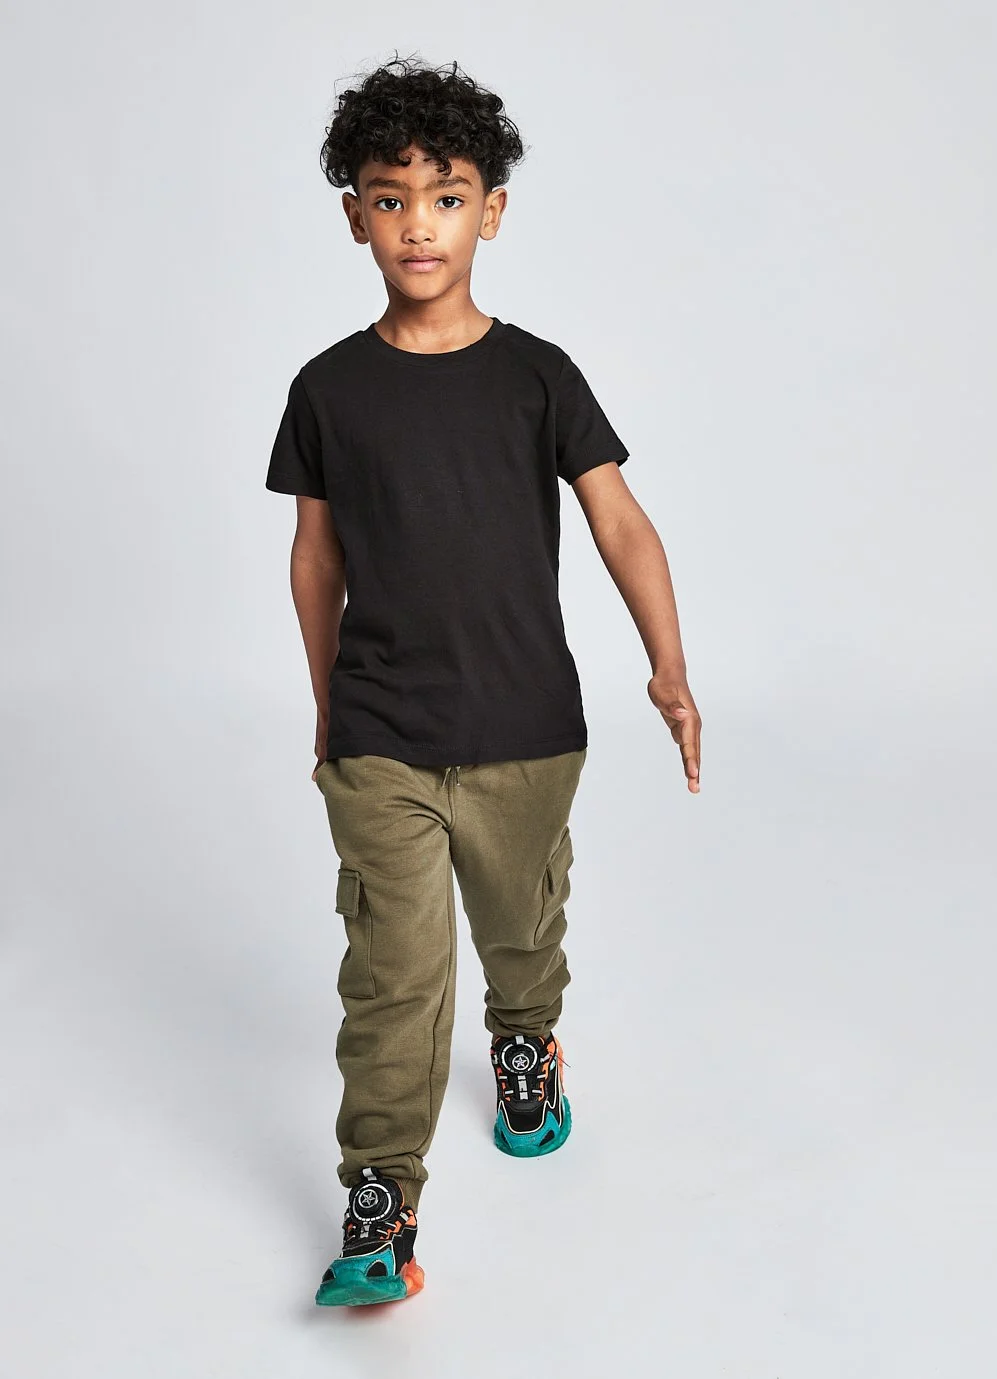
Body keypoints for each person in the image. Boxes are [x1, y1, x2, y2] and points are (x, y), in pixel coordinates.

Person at [265, 53, 702, 1308]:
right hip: (382, 733)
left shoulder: (537, 374)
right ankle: (380, 1198)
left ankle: (525, 1037)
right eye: (391, 196)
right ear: (355, 214)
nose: (419, 222)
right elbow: (316, 555)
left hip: (525, 728)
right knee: (392, 974)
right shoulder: (327, 389)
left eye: (447, 196)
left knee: (519, 929)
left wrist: (668, 664)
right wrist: (328, 700)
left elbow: (620, 520)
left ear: (491, 212)